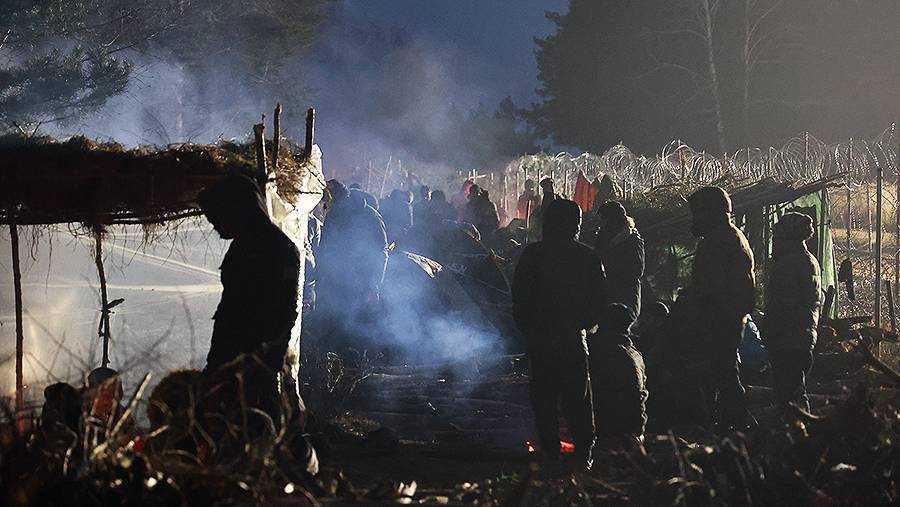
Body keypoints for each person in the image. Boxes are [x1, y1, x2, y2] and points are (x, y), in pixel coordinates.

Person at [198, 174, 302, 419]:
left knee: (251, 421)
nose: (215, 226)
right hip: (234, 354)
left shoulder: (277, 248)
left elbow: (283, 311)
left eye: (218, 217)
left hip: (254, 358)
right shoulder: (244, 245)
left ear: (237, 210)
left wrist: (262, 359)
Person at [512, 198, 605, 469]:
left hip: (541, 340)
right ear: (576, 224)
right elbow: (599, 303)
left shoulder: (532, 255)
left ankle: (551, 453)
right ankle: (584, 454)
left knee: (544, 402)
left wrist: (529, 330)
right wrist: (580, 325)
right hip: (572, 340)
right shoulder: (588, 257)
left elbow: (519, 299)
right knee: (578, 400)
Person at [687, 186, 755, 431]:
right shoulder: (730, 236)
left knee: (723, 372)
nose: (695, 219)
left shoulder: (718, 242)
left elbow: (710, 287)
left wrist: (692, 307)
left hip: (720, 317)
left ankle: (733, 424)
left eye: (698, 213)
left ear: (711, 212)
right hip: (727, 315)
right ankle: (730, 423)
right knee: (724, 371)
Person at [317, 179, 389, 349]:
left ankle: (357, 357)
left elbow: (381, 252)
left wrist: (373, 284)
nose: (325, 206)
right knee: (336, 323)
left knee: (358, 326)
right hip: (336, 280)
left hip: (361, 281)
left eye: (327, 202)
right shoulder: (335, 214)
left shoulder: (370, 216)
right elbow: (326, 245)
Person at [763, 212, 821, 413]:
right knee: (796, 392)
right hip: (802, 338)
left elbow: (784, 305)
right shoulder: (808, 260)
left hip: (788, 341)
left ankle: (798, 429)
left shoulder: (787, 265)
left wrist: (769, 332)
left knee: (789, 399)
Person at [588, 304, 648, 444]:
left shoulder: (588, 350)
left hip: (586, 424)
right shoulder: (629, 355)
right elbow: (636, 395)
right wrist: (638, 431)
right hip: (618, 429)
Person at [594, 201, 644, 319]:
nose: (599, 222)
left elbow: (636, 270)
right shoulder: (602, 238)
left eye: (602, 218)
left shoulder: (631, 238)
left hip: (623, 296)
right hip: (612, 295)